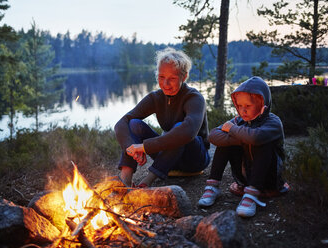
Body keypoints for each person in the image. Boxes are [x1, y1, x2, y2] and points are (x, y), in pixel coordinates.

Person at [114, 47, 210, 188]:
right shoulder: (156, 98)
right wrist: (131, 148)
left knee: (179, 128)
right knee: (134, 123)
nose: (165, 84)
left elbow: (188, 132)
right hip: (169, 157)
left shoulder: (194, 98)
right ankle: (125, 180)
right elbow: (122, 122)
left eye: (172, 78)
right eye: (161, 77)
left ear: (184, 77)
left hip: (194, 160)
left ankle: (148, 181)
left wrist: (145, 147)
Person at [198, 76, 289, 218]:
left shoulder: (273, 122)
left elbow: (256, 137)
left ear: (262, 104)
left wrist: (234, 131)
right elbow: (213, 135)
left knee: (260, 142)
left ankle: (252, 194)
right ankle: (212, 186)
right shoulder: (238, 121)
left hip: (270, 178)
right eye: (239, 106)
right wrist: (241, 137)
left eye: (248, 106)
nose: (243, 110)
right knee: (225, 143)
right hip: (244, 176)